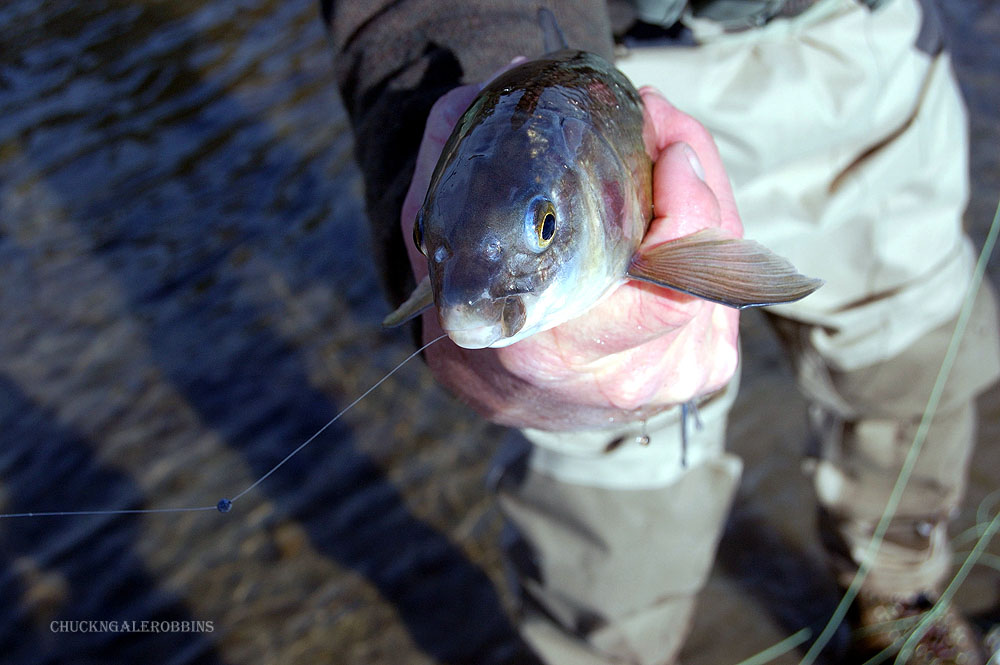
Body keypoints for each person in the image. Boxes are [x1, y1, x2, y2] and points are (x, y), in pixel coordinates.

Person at [322, 1, 1000, 663]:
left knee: (908, 360)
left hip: (852, 48)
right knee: (608, 486)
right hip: (603, 63)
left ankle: (898, 596)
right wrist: (429, 151)